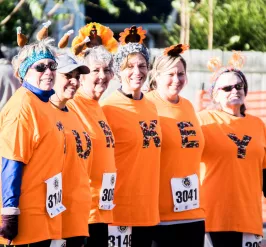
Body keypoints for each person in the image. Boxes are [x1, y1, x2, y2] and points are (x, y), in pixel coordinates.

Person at [0, 38, 65, 246]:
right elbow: (11, 161)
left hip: (45, 213)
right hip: (26, 218)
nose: (48, 71)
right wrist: (9, 213)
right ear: (24, 72)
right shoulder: (22, 106)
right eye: (40, 67)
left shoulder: (44, 102)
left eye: (52, 65)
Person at [100, 26, 162, 247]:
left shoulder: (152, 106)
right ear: (118, 71)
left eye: (142, 66)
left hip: (147, 210)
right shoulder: (107, 108)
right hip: (118, 211)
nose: (137, 72)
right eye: (130, 67)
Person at [197, 52, 266, 247]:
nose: (234, 90)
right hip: (212, 217)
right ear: (215, 95)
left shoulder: (257, 124)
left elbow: (264, 170)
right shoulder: (203, 120)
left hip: (249, 218)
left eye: (239, 86)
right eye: (227, 88)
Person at [146, 44, 205, 247]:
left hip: (192, 212)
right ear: (156, 76)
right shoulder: (146, 104)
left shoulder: (188, 105)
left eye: (181, 74)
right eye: (170, 74)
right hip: (158, 217)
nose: (176, 80)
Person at [68, 23, 118, 247]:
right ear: (81, 75)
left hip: (101, 210)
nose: (102, 76)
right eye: (95, 70)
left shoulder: (98, 106)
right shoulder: (72, 104)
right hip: (81, 213)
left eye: (107, 70)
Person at [50, 53, 92, 247]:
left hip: (77, 217)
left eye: (77, 76)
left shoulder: (74, 115)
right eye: (68, 76)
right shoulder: (43, 113)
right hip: (52, 219)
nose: (74, 81)